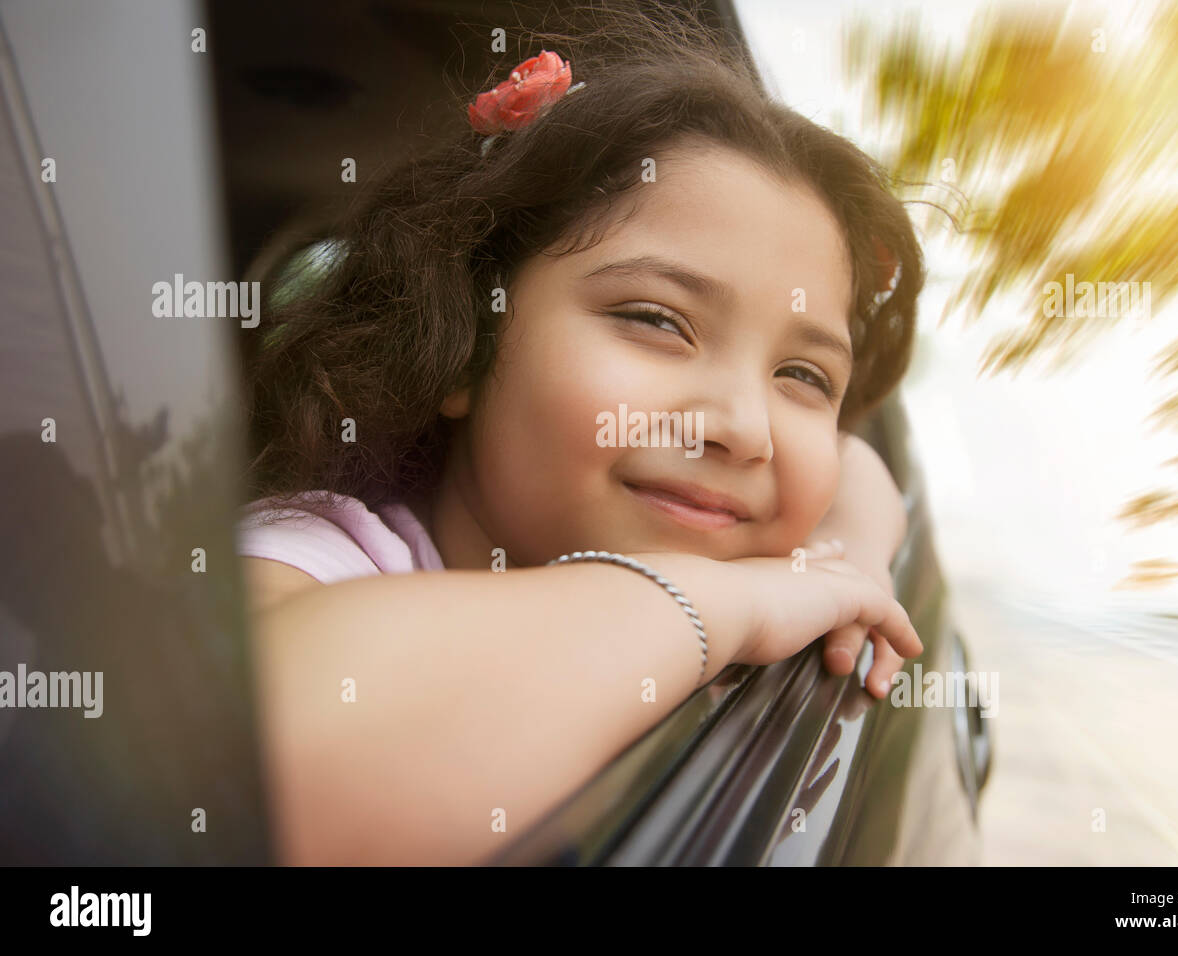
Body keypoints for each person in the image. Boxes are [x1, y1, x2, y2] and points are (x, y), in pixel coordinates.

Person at [235, 1, 925, 865]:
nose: (746, 429)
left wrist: (850, 566)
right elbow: (271, 762)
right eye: (656, 320)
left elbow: (856, 463)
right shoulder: (318, 556)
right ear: (462, 342)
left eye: (804, 376)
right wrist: (738, 602)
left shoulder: (763, 524)